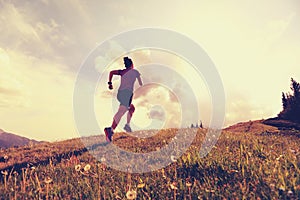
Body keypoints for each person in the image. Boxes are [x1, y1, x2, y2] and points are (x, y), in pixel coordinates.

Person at [104, 57, 143, 142]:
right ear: (132, 64)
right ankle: (110, 130)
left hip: (121, 93)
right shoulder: (135, 72)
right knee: (121, 111)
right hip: (127, 93)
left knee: (131, 108)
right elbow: (141, 83)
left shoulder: (122, 72)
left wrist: (110, 83)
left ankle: (127, 125)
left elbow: (111, 72)